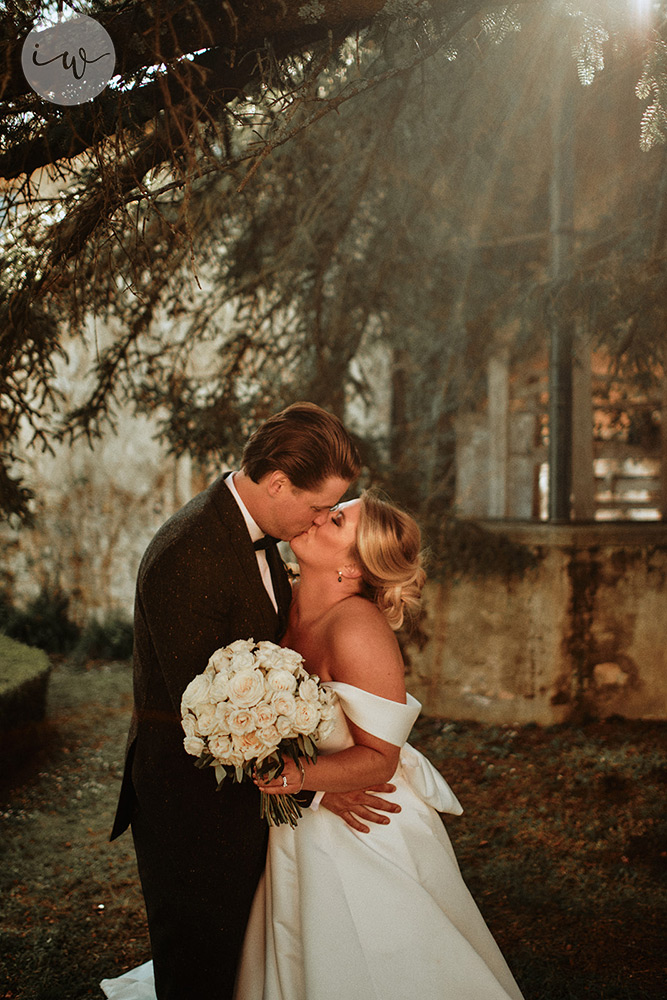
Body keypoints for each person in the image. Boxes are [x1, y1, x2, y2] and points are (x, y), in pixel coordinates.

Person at [104, 489, 526, 1000]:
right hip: (296, 819)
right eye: (332, 507)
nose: (322, 517)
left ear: (352, 567)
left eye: (338, 520)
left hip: (360, 828)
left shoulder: (358, 629)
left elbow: (381, 758)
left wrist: (297, 779)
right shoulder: (283, 593)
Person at [105, 403, 400, 1000]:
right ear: (278, 484)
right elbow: (212, 715)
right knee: (199, 969)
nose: (321, 520)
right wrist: (318, 785)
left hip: (252, 805)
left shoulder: (270, 541)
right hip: (191, 804)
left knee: (252, 965)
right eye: (320, 506)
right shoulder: (189, 552)